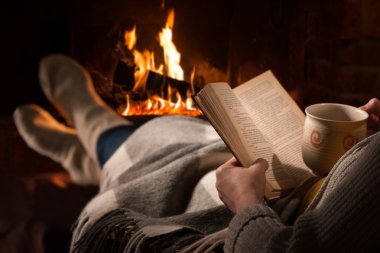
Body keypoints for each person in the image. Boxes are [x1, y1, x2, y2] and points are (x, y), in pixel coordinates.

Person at [13, 54, 380, 252]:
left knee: (173, 148)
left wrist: (246, 201)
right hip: (305, 184)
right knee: (201, 139)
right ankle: (89, 150)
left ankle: (95, 128)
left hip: (268, 205)